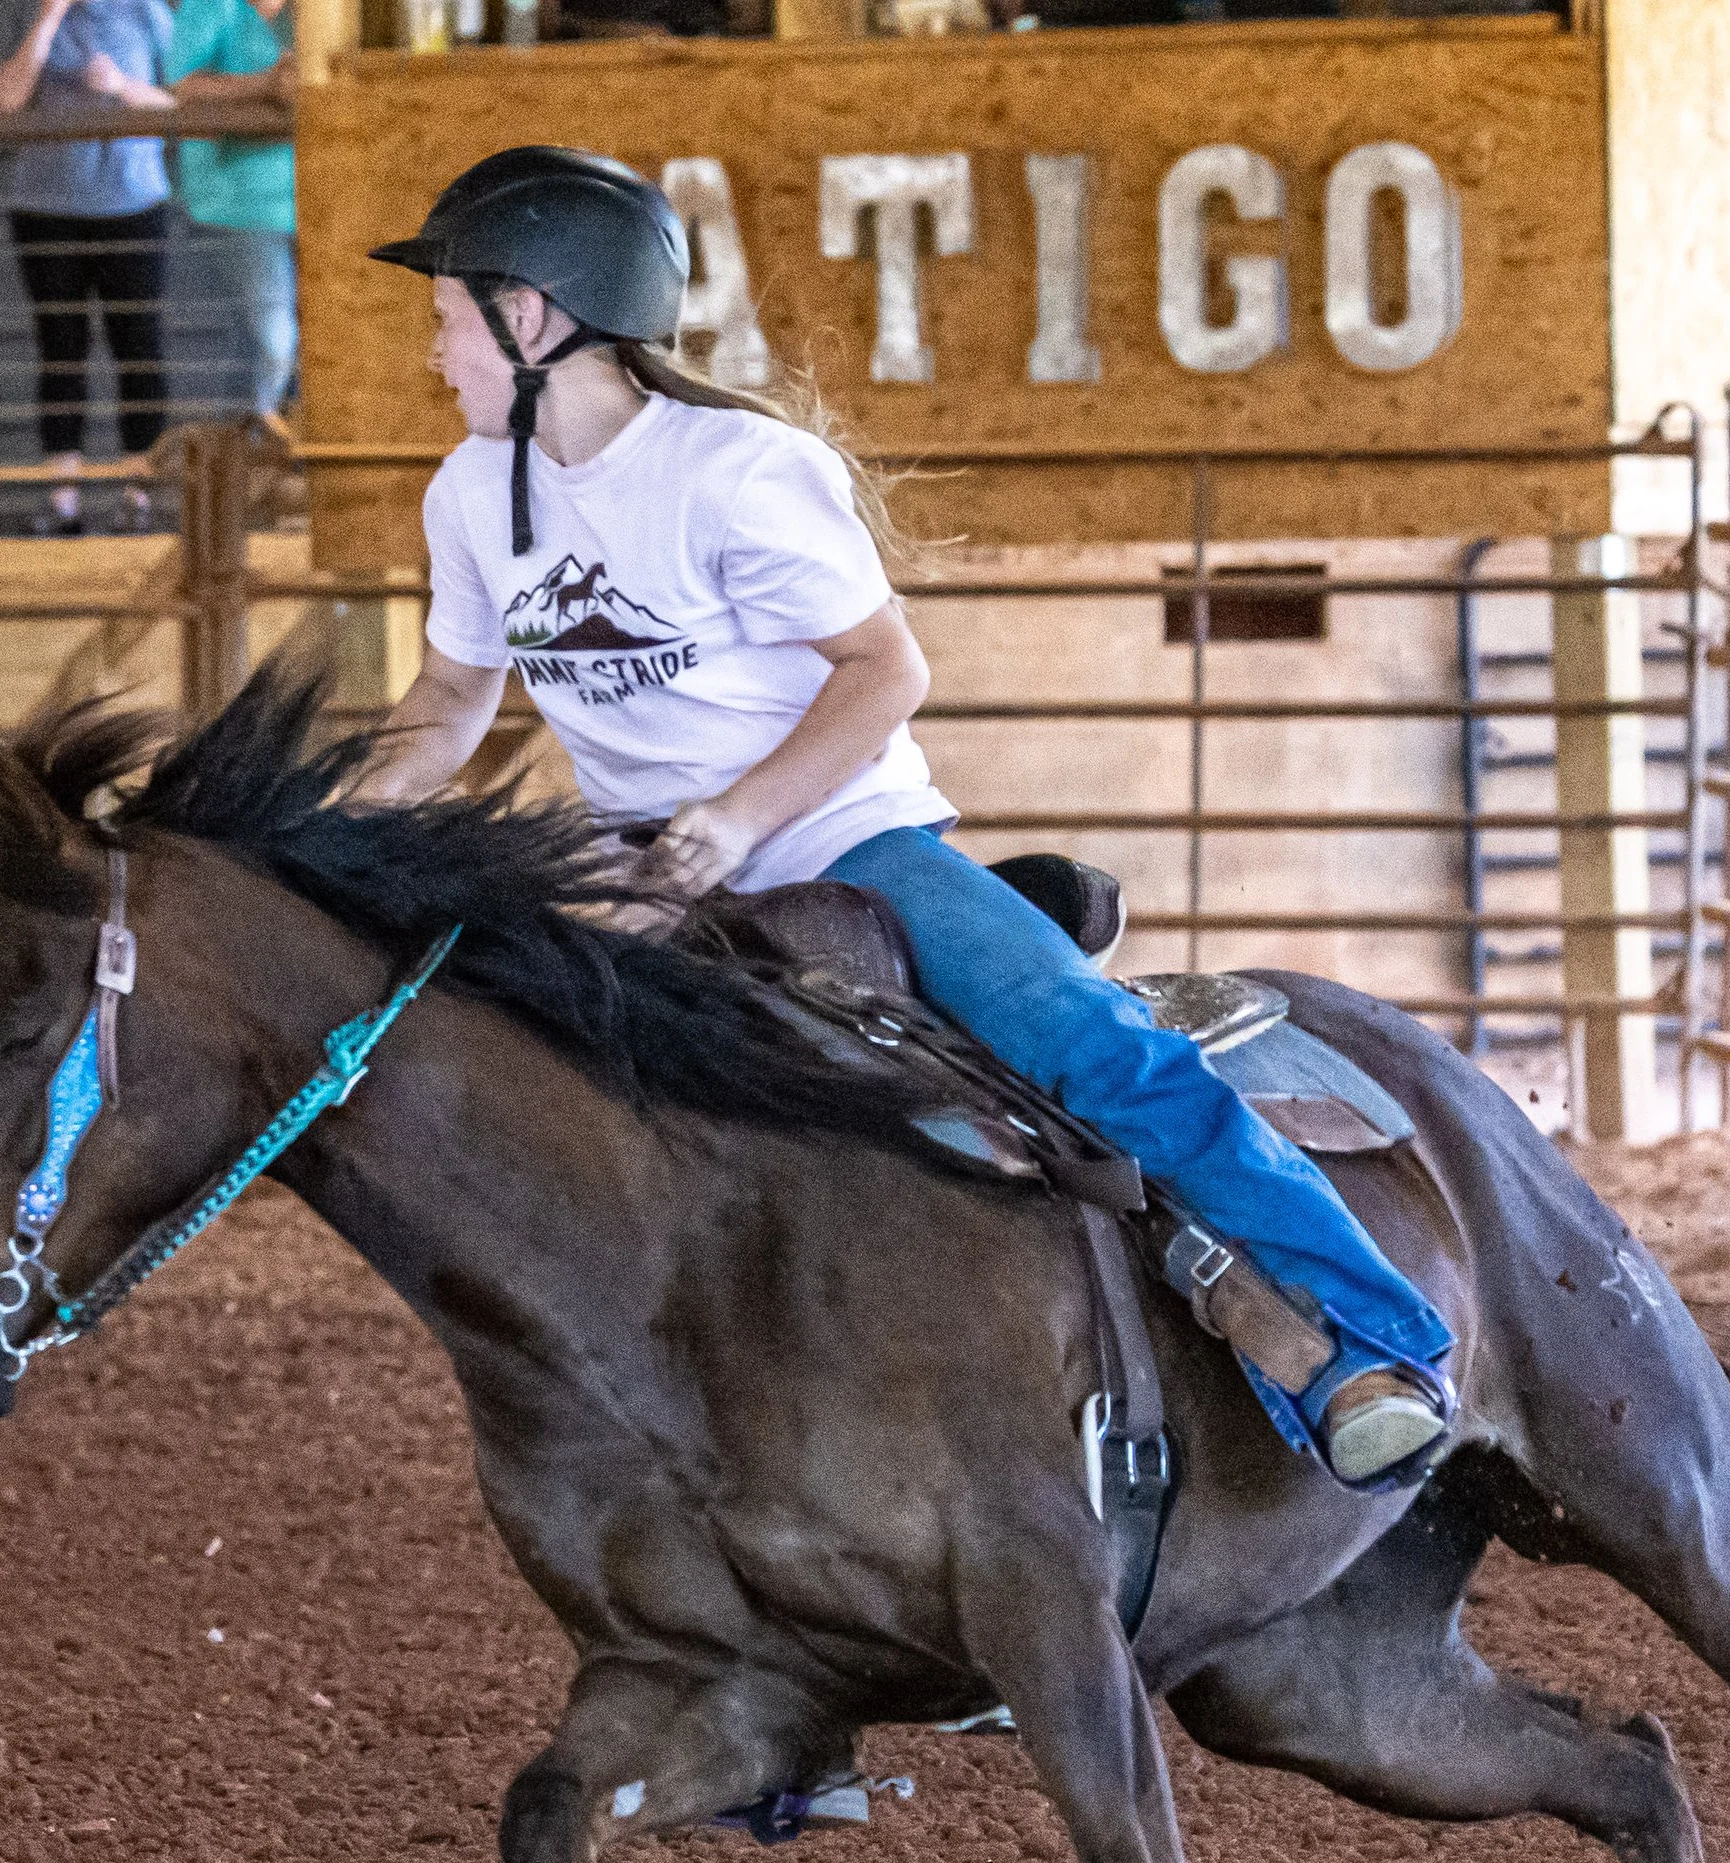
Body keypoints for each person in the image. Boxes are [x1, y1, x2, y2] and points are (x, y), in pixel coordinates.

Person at [361, 149, 1456, 1490]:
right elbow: (454, 695)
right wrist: (321, 819)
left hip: (843, 843)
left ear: (531, 317)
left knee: (1091, 1044)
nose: (437, 349)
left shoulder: (736, 471)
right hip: (632, 864)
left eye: (448, 314)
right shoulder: (475, 491)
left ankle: (1365, 1342)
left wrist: (730, 819)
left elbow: (888, 672)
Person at [0, 0, 179, 534]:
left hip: (134, 205)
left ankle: (137, 496)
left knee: (137, 346)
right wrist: (47, 21)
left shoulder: (147, 13)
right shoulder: (28, 13)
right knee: (61, 347)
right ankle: (63, 502)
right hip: (46, 209)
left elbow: (179, 103)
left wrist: (121, 88)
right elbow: (6, 99)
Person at [165, 0, 298, 422]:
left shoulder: (316, 14)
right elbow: (182, 88)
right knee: (274, 339)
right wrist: (268, 85)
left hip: (313, 199)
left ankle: (246, 457)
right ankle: (258, 454)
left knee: (270, 343)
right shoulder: (213, 7)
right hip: (233, 204)